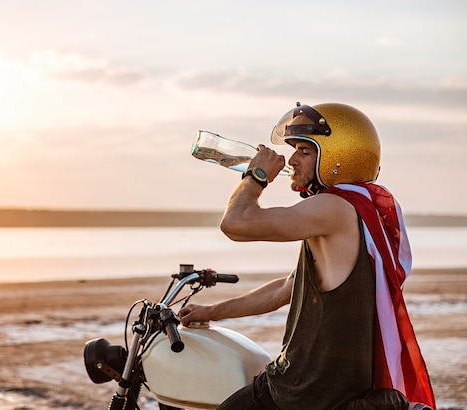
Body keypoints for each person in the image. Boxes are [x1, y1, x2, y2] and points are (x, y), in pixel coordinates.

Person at [178, 102, 436, 409]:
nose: (291, 159)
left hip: (302, 392)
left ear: (336, 156)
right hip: (327, 390)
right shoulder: (361, 212)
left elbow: (235, 224)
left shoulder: (334, 208)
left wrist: (256, 175)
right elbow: (286, 289)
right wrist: (211, 312)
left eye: (304, 150)